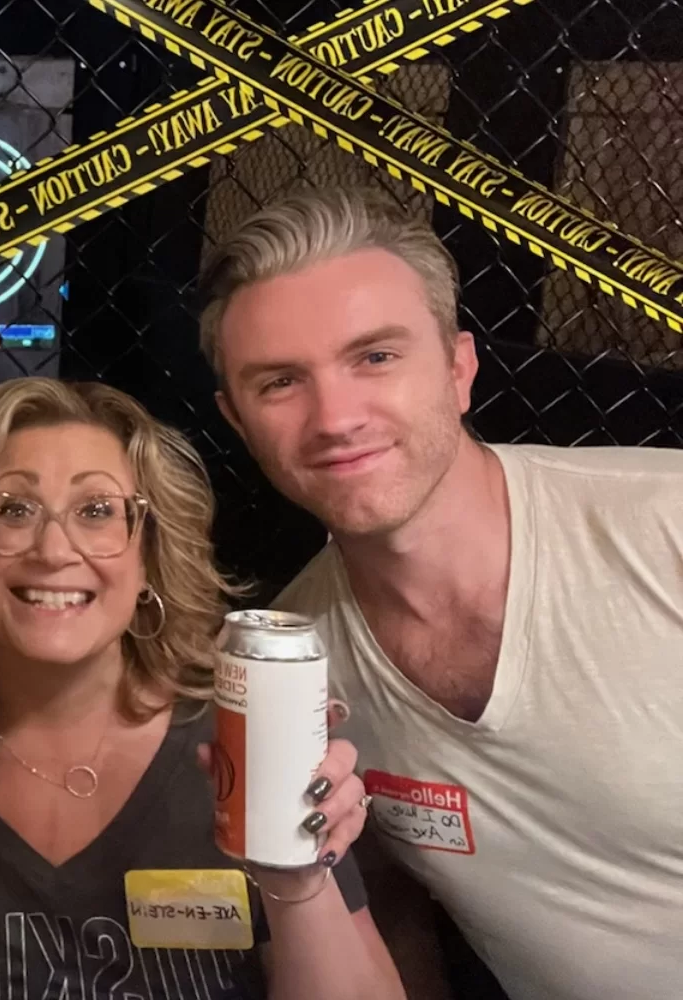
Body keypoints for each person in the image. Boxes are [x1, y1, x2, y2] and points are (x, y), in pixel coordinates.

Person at [201, 186, 683, 1000]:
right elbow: (391, 912)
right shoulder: (292, 670)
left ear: (460, 368)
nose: (335, 417)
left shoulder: (665, 529)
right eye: (281, 382)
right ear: (238, 420)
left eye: (375, 357)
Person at [0, 377, 403, 1000]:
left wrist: (298, 882)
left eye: (96, 511)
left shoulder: (237, 746)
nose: (53, 549)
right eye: (13, 509)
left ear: (149, 558)